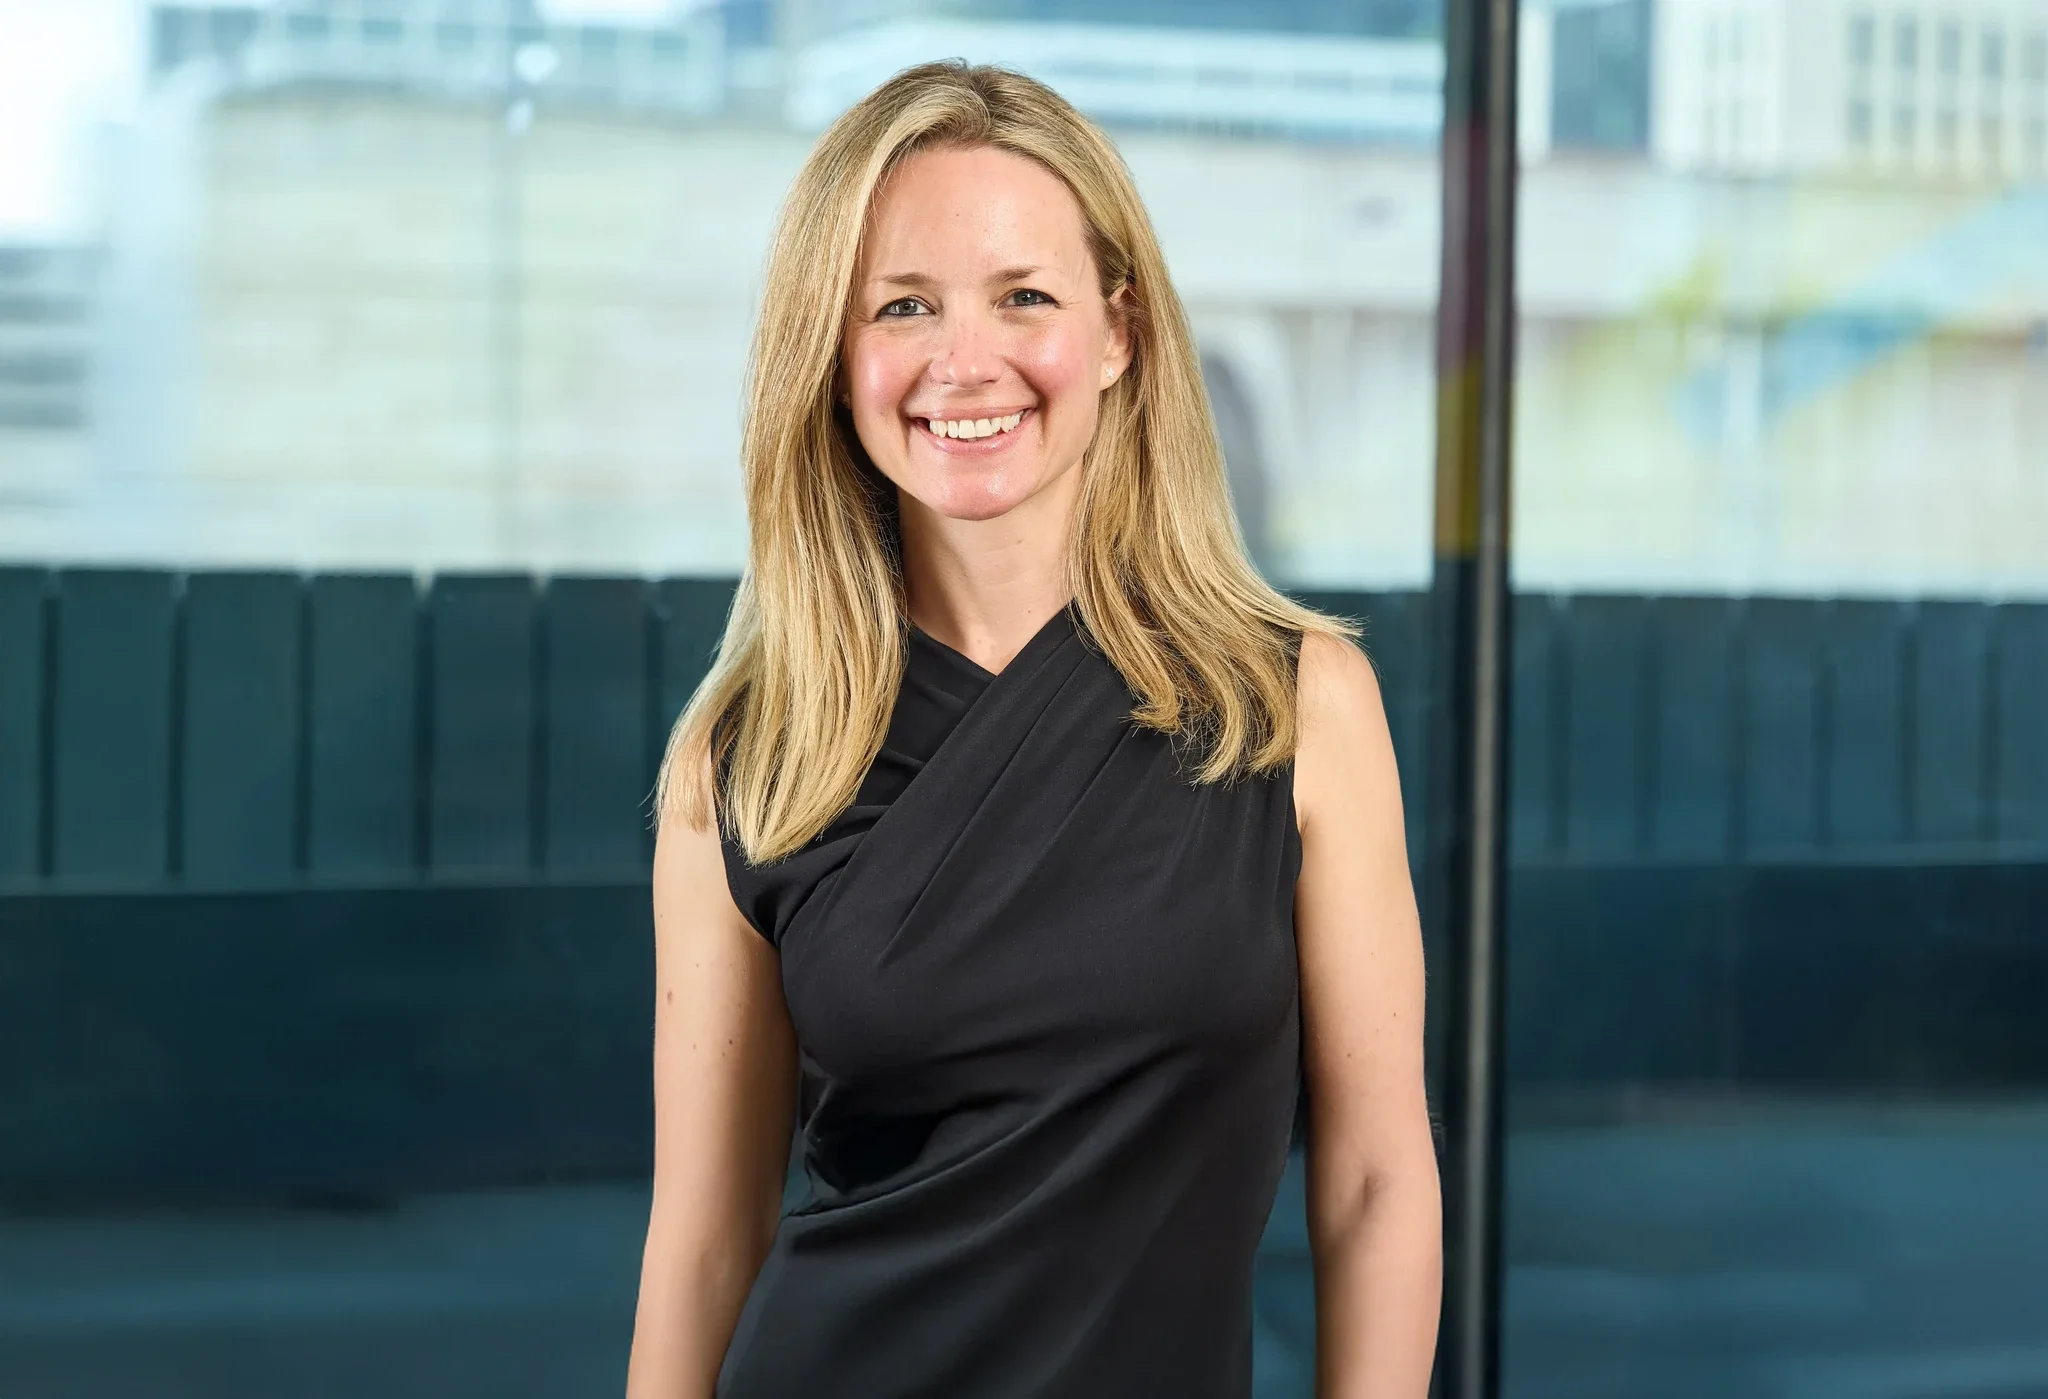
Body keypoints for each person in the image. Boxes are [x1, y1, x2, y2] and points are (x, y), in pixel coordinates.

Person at [625, 60, 1440, 1399]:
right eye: (903, 306)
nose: (967, 360)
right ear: (835, 356)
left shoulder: (1297, 706)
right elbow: (705, 1243)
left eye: (1024, 298)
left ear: (1117, 330)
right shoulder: (746, 760)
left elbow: (1374, 1183)